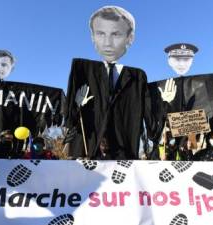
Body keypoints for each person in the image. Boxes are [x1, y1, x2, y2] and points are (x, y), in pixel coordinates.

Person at [64, 6, 162, 160]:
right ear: (92, 37)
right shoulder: (83, 72)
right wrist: (75, 107)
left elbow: (149, 114)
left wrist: (155, 141)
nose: (108, 43)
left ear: (130, 38)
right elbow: (69, 119)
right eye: (101, 34)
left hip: (124, 149)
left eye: (116, 34)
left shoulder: (137, 77)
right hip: (88, 151)